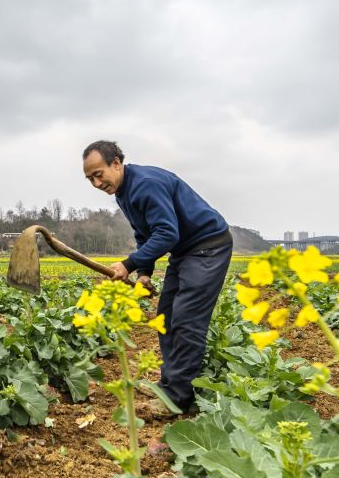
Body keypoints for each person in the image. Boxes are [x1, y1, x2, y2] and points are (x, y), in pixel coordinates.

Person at [82, 140, 233, 416]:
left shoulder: (145, 184)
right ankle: (169, 384)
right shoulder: (124, 192)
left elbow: (167, 233)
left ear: (116, 163)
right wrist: (144, 273)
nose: (96, 183)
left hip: (208, 246)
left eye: (98, 174)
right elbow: (145, 234)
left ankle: (178, 399)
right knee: (166, 317)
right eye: (90, 178)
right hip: (185, 251)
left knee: (186, 319)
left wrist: (128, 264)